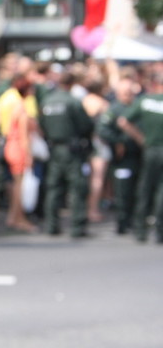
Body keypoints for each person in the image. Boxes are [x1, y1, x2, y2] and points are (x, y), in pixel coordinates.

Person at [40, 72, 94, 237]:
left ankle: (51, 225)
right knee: (77, 187)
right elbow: (86, 125)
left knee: (53, 187)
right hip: (71, 149)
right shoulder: (73, 102)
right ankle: (77, 227)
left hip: (53, 148)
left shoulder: (46, 101)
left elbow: (42, 124)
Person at [117, 73, 163, 244]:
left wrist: (140, 138)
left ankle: (140, 230)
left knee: (145, 189)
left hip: (150, 149)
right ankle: (160, 231)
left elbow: (123, 122)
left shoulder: (145, 101)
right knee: (160, 190)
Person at [96, 68, 141, 235]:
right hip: (122, 157)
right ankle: (122, 222)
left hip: (139, 154)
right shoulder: (114, 109)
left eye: (130, 92)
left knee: (138, 190)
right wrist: (119, 141)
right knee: (122, 190)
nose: (128, 96)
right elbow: (103, 130)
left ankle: (135, 220)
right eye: (124, 92)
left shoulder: (139, 106)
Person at [0, 71, 39, 232]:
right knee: (18, 186)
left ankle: (13, 217)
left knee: (16, 184)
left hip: (9, 144)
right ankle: (18, 218)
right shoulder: (20, 107)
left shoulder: (7, 99)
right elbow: (24, 136)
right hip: (18, 148)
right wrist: (29, 155)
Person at [82, 75, 111, 223]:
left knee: (89, 177)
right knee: (97, 178)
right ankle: (92, 210)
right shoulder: (102, 103)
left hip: (84, 142)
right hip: (98, 142)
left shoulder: (83, 101)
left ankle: (88, 208)